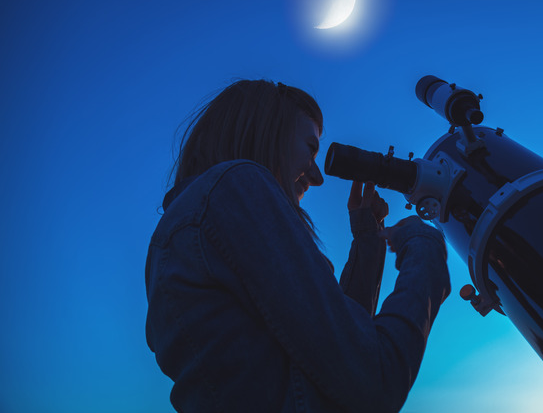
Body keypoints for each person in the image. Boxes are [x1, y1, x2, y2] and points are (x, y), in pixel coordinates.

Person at [145, 79, 451, 412]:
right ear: (267, 132)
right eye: (309, 147)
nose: (318, 176)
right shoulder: (236, 185)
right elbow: (372, 379)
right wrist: (426, 247)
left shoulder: (187, 225)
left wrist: (368, 238)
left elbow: (334, 354)